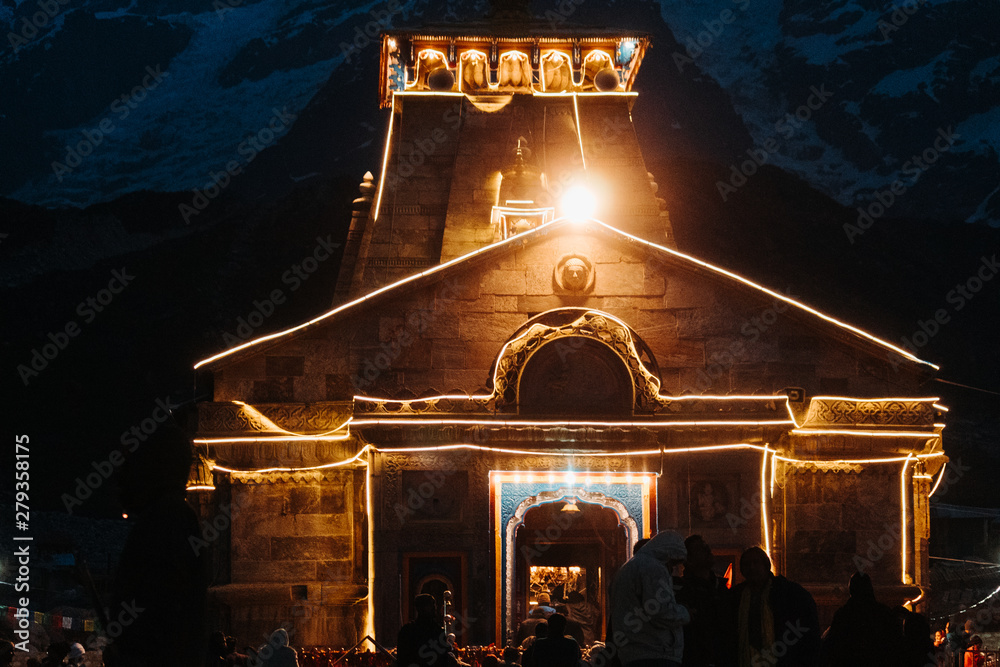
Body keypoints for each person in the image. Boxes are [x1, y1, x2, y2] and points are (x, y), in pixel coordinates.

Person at [104, 424, 209, 667]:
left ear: (152, 469)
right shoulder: (170, 518)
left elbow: (158, 618)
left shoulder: (167, 521)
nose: (119, 478)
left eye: (129, 465)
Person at [724, 547, 820, 667]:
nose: (752, 567)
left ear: (766, 565)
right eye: (747, 564)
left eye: (756, 562)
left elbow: (807, 630)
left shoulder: (790, 594)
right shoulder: (734, 598)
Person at [610, 530, 690, 667]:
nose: (672, 569)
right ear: (667, 555)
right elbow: (660, 612)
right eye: (672, 563)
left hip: (632, 652)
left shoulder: (629, 567)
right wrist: (685, 613)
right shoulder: (653, 567)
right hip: (655, 651)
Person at [821, 571, 901, 666]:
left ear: (851, 590)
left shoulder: (844, 614)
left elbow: (832, 645)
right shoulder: (883, 613)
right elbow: (895, 645)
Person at [676, 535, 727, 667]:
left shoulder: (721, 588)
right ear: (689, 560)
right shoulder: (681, 591)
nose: (707, 549)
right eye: (700, 548)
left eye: (705, 545)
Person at [397, 594, 458, 667]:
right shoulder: (436, 631)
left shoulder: (407, 629)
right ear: (421, 608)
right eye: (432, 605)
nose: (435, 608)